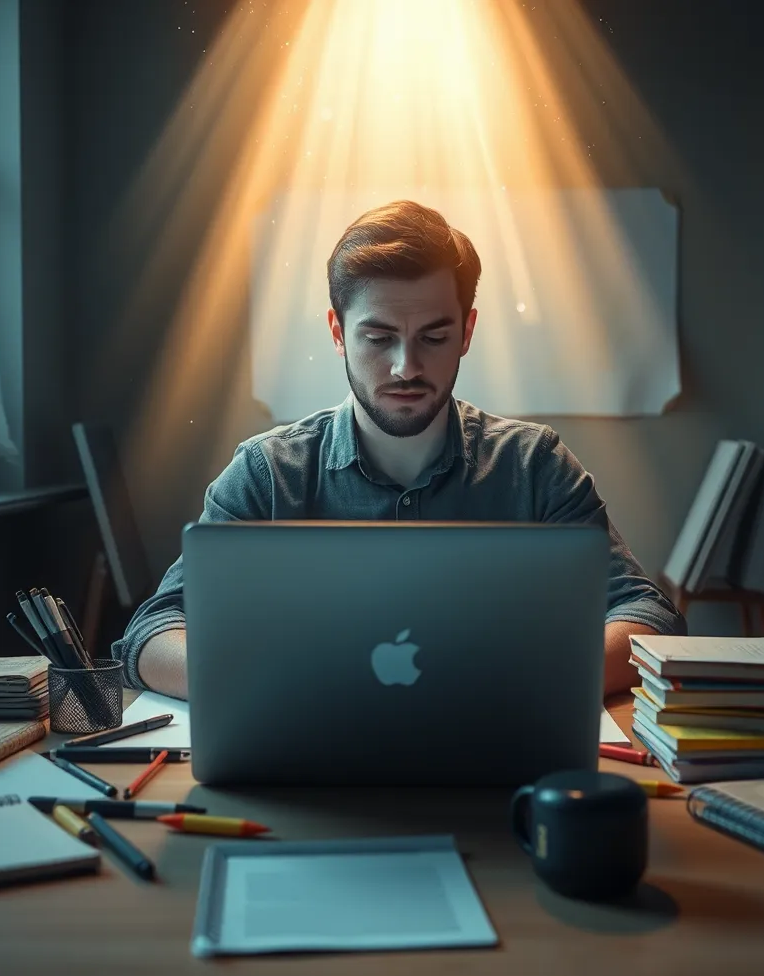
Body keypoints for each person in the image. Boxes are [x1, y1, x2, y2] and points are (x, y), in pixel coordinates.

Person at [112, 200, 686, 700]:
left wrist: (529, 679)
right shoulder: (268, 474)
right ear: (337, 332)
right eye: (379, 337)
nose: (406, 367)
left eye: (434, 337)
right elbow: (153, 631)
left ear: (466, 332)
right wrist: (271, 681)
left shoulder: (534, 466)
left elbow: (647, 613)